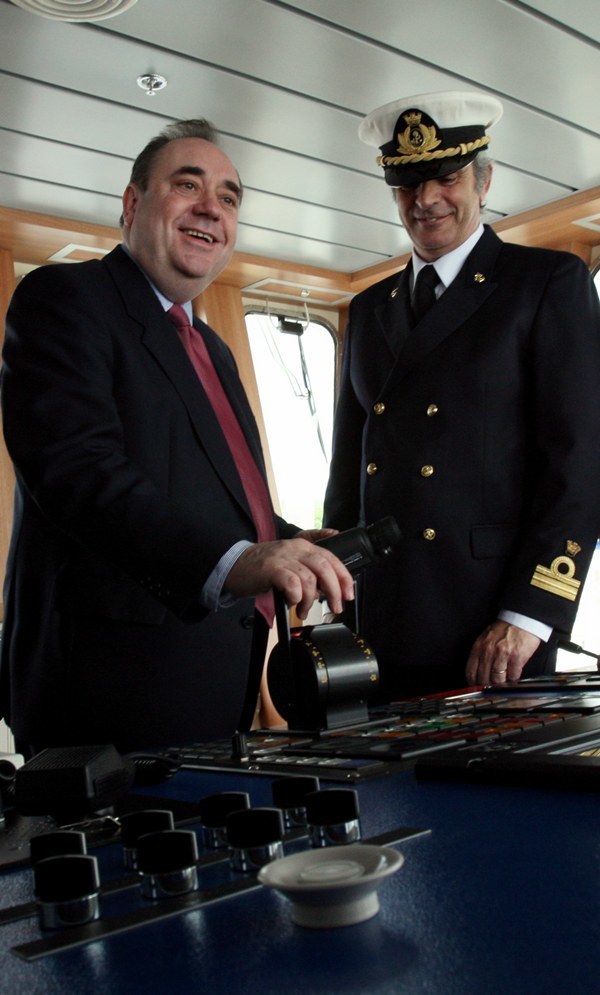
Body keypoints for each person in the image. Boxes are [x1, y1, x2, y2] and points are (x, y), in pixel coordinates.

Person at [0, 118, 354, 755]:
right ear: (133, 204)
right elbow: (79, 471)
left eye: (227, 198)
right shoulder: (65, 298)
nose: (209, 209)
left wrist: (286, 540)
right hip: (105, 692)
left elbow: (211, 493)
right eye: (187, 185)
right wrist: (236, 561)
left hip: (215, 681)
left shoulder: (213, 348)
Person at [323, 91, 600, 701]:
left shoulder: (545, 284)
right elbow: (350, 471)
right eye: (406, 184)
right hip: (381, 619)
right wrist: (333, 594)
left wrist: (530, 616)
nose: (425, 200)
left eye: (445, 178)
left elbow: (580, 466)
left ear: (484, 181)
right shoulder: (369, 309)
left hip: (493, 630)